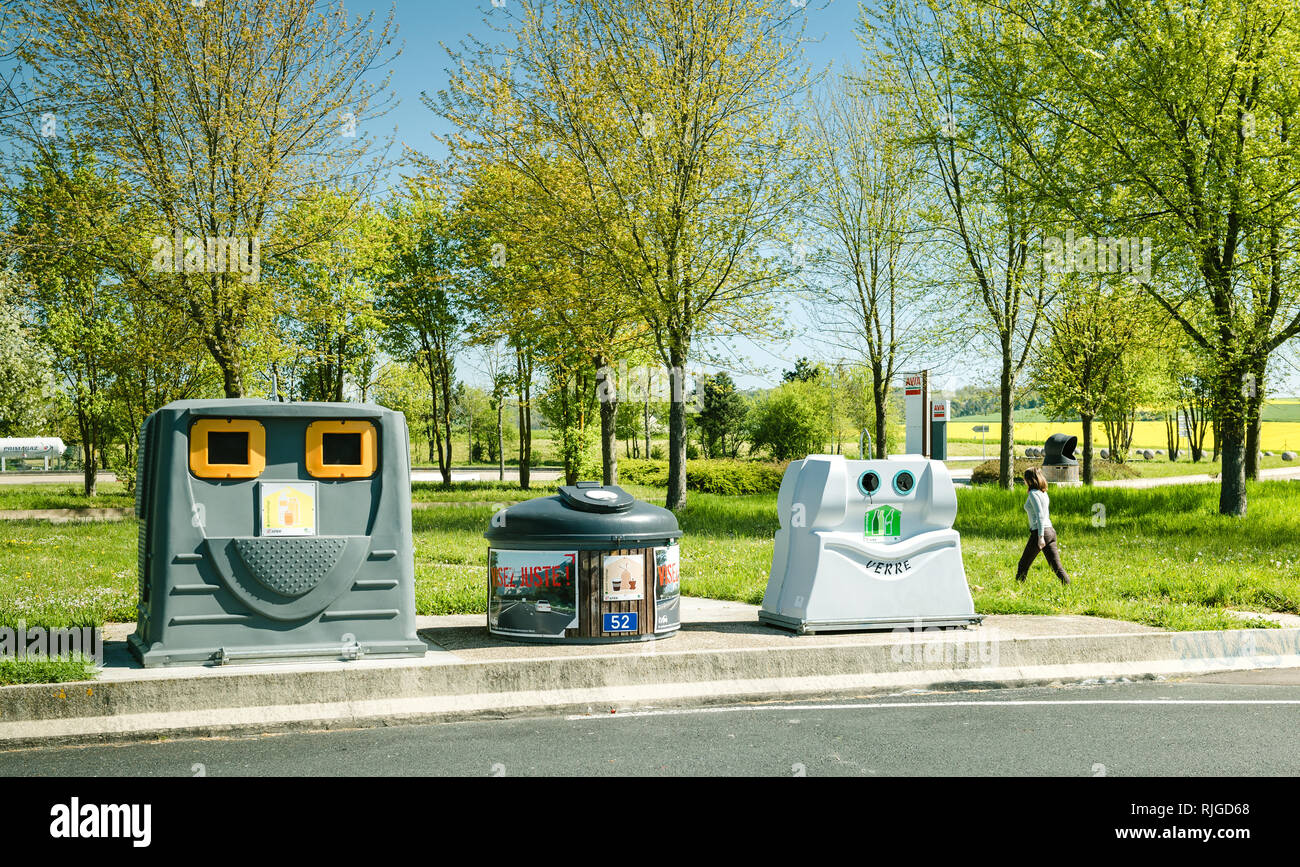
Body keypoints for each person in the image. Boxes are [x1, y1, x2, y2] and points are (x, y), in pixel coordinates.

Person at [1016, 467, 1071, 584]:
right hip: (1050, 531)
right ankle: (1068, 585)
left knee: (1023, 564)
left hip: (1040, 532)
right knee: (1056, 567)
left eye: (1025, 479)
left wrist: (1040, 537)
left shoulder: (1033, 493)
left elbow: (1040, 515)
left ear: (1030, 480)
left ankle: (1016, 590)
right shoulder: (1043, 492)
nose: (1024, 481)